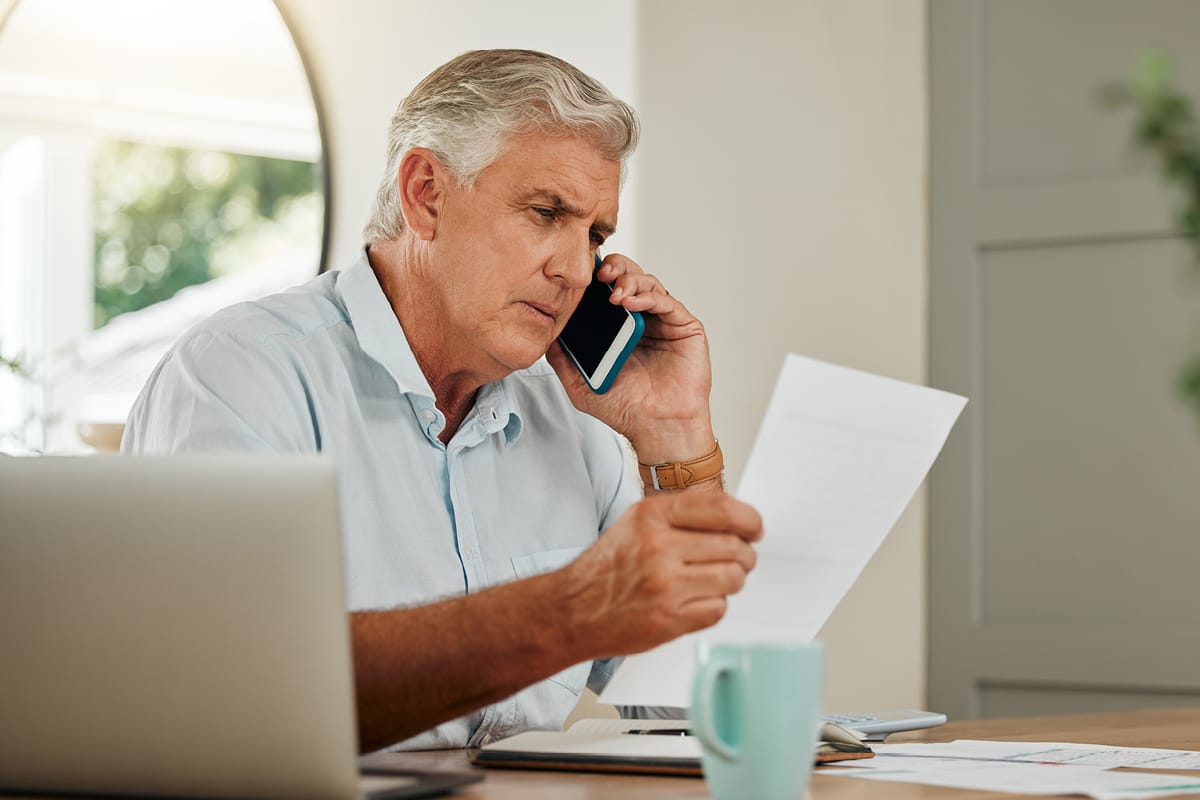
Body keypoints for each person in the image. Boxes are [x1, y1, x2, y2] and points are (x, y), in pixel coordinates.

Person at [122, 49, 763, 753]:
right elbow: (231, 694)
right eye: (546, 212)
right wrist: (570, 608)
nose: (577, 270)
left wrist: (672, 434)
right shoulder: (243, 375)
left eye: (595, 235)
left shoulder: (568, 418)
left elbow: (701, 708)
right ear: (426, 193)